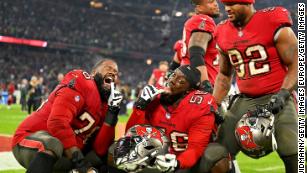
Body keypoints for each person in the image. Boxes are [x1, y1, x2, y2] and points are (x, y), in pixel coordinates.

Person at [213, 0, 298, 172]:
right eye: (225, 4)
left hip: (277, 95)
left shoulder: (272, 22)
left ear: (247, 3)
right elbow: (224, 75)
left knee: (292, 154)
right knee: (215, 156)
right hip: (245, 99)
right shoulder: (222, 31)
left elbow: (296, 64)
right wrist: (213, 104)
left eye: (233, 3)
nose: (227, 8)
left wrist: (283, 93)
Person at [12, 59, 124, 173]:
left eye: (116, 72)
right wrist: (82, 164)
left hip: (66, 152)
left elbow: (101, 150)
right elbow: (57, 122)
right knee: (53, 144)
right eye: (108, 68)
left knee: (110, 153)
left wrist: (112, 113)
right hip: (31, 138)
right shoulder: (83, 81)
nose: (113, 73)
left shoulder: (106, 105)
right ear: (94, 72)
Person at [120, 65, 230, 173]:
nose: (172, 80)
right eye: (173, 75)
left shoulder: (200, 107)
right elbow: (132, 135)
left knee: (216, 154)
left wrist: (177, 163)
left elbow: (195, 148)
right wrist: (140, 106)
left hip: (186, 162)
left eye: (181, 81)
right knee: (114, 151)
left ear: (189, 91)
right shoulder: (154, 98)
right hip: (156, 157)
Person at [168, 0, 220, 93]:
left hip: (188, 86)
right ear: (199, 7)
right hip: (198, 88)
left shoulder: (194, 22)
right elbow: (196, 51)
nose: (216, 3)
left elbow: (175, 63)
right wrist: (205, 84)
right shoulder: (203, 20)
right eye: (210, 2)